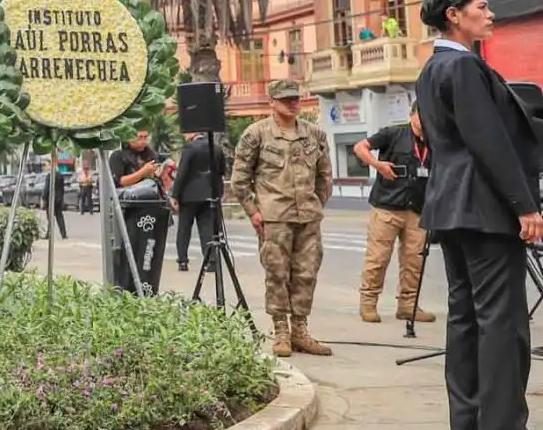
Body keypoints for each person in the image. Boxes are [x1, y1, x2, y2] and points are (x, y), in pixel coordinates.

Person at [413, 0, 543, 430]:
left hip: (449, 206)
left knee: (465, 316)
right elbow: (489, 141)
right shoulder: (464, 66)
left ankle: (467, 423)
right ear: (454, 15)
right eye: (482, 7)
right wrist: (525, 205)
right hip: (484, 207)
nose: (490, 15)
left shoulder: (432, 68)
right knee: (503, 322)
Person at [231, 80, 333, 359]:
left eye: (296, 98)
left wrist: (316, 204)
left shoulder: (315, 135)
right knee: (277, 274)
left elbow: (325, 176)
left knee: (306, 273)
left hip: (308, 218)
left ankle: (300, 330)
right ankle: (281, 331)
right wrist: (254, 210)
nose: (293, 103)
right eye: (286, 99)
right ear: (272, 102)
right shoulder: (256, 135)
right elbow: (239, 180)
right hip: (274, 217)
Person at [352, 110, 434, 325]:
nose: (426, 122)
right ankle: (368, 303)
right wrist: (378, 165)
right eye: (422, 116)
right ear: (413, 114)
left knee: (414, 261)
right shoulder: (393, 133)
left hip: (417, 209)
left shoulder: (435, 139)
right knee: (377, 258)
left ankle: (408, 305)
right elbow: (360, 147)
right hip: (387, 207)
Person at [170, 131, 228, 275]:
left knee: (184, 228)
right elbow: (221, 171)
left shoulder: (189, 149)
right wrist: (220, 191)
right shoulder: (216, 148)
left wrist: (175, 195)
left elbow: (182, 173)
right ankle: (211, 261)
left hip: (189, 195)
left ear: (192, 133)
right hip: (209, 193)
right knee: (207, 228)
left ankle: (183, 260)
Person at [109, 129, 165, 200]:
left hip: (152, 199)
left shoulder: (151, 155)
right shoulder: (118, 156)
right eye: (140, 138)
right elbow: (120, 181)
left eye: (145, 137)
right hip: (129, 199)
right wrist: (143, 172)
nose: (143, 141)